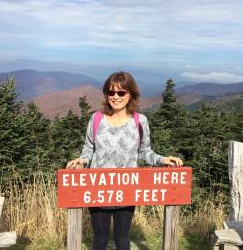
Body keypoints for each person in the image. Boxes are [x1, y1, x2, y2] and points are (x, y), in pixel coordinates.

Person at [66, 71, 183, 250]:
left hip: (127, 188)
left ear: (131, 95)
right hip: (98, 187)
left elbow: (145, 152)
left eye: (121, 92)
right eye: (111, 92)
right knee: (100, 240)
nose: (115, 96)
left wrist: (162, 160)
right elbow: (89, 150)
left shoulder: (139, 121)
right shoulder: (96, 118)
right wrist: (81, 161)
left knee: (122, 240)